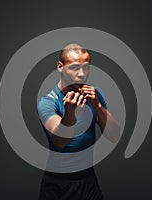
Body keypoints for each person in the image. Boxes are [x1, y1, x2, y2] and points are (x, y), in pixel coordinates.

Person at [37, 43, 120, 200]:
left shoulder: (95, 95)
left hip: (88, 180)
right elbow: (60, 142)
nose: (82, 74)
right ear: (60, 67)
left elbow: (114, 136)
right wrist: (69, 114)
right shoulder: (48, 102)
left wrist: (99, 106)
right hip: (58, 185)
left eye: (86, 67)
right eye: (75, 68)